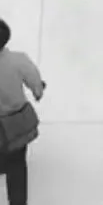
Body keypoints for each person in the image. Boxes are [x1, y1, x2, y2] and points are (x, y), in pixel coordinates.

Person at [0, 19, 45, 205]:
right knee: (17, 165)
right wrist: (38, 90)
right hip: (15, 124)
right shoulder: (18, 60)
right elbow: (36, 86)